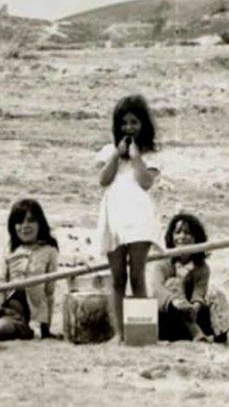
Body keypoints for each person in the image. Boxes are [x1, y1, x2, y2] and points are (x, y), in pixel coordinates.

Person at [95, 94, 163, 342]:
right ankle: (119, 333)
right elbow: (103, 180)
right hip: (114, 217)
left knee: (137, 275)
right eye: (124, 123)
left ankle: (141, 331)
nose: (129, 128)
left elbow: (146, 183)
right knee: (117, 278)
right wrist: (117, 155)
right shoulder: (107, 151)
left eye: (134, 122)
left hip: (139, 219)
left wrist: (136, 157)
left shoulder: (150, 154)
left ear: (143, 124)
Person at [151, 213, 229, 347]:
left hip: (195, 318)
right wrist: (175, 302)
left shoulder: (201, 268)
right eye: (178, 232)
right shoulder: (162, 264)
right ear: (172, 237)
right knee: (173, 283)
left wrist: (194, 307)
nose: (182, 237)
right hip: (169, 321)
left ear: (195, 238)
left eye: (187, 233)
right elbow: (157, 289)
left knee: (216, 293)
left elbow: (199, 293)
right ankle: (196, 333)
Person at [0, 199, 60, 341]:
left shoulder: (49, 251)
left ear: (40, 223)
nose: (25, 226)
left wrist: (46, 329)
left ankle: (22, 330)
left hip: (18, 317)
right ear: (13, 226)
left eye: (30, 221)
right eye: (19, 222)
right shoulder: (9, 248)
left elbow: (49, 292)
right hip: (1, 308)